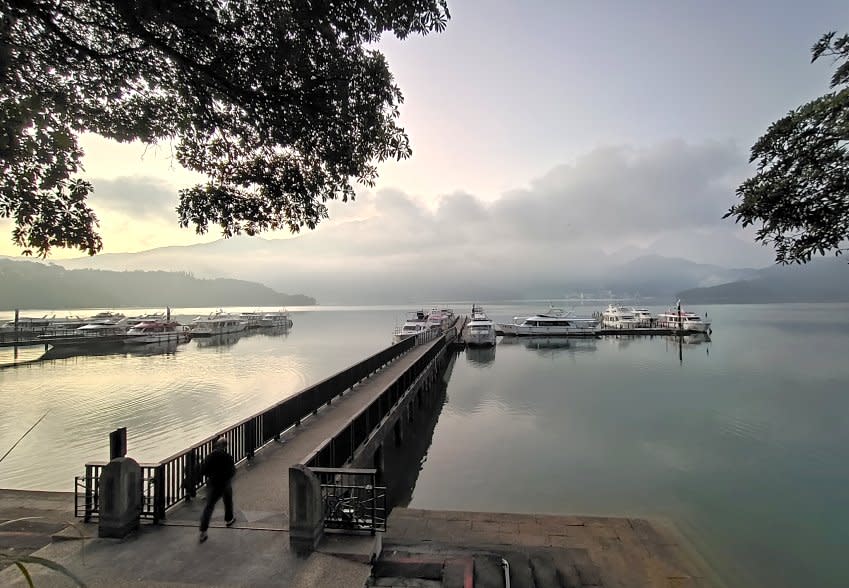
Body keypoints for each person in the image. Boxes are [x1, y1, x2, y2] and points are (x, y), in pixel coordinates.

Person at [198, 436, 236, 543]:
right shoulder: (227, 456)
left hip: (213, 483)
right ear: (225, 446)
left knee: (209, 507)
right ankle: (229, 519)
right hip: (224, 482)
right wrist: (227, 477)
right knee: (228, 500)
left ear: (216, 445)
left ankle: (203, 532)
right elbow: (232, 471)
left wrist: (211, 476)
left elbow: (203, 470)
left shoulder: (210, 456)